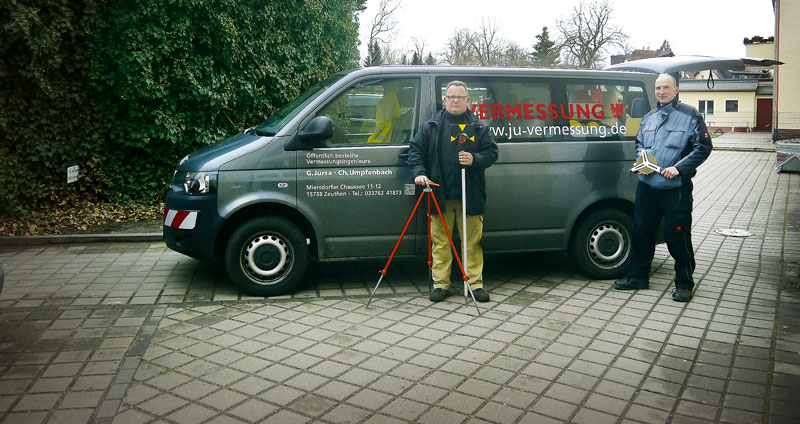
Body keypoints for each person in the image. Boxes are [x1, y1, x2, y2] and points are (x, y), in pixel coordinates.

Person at [613, 73, 712, 302]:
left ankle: (684, 283)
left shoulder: (691, 115)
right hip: (647, 185)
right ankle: (638, 277)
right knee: (642, 232)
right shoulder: (648, 118)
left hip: (675, 188)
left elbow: (703, 147)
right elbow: (639, 144)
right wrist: (642, 161)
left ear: (676, 90)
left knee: (677, 235)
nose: (661, 92)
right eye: (658, 88)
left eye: (666, 87)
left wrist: (679, 168)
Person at [408, 80, 499, 303]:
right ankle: (441, 284)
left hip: (471, 196)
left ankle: (475, 284)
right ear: (445, 100)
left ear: (468, 101)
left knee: (472, 242)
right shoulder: (431, 126)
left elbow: (492, 153)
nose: (456, 101)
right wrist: (419, 172)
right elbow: (415, 151)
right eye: (452, 97)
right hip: (441, 196)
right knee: (440, 242)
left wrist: (475, 159)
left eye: (460, 97)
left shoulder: (479, 127)